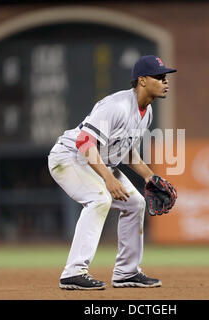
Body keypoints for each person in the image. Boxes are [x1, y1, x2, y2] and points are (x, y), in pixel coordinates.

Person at [48, 55, 177, 290]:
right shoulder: (117, 106)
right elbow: (85, 142)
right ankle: (73, 272)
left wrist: (149, 176)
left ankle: (127, 273)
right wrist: (108, 179)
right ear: (142, 81)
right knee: (100, 199)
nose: (165, 81)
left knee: (135, 204)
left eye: (165, 77)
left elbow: (125, 151)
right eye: (159, 77)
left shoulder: (145, 113)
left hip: (95, 160)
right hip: (68, 157)